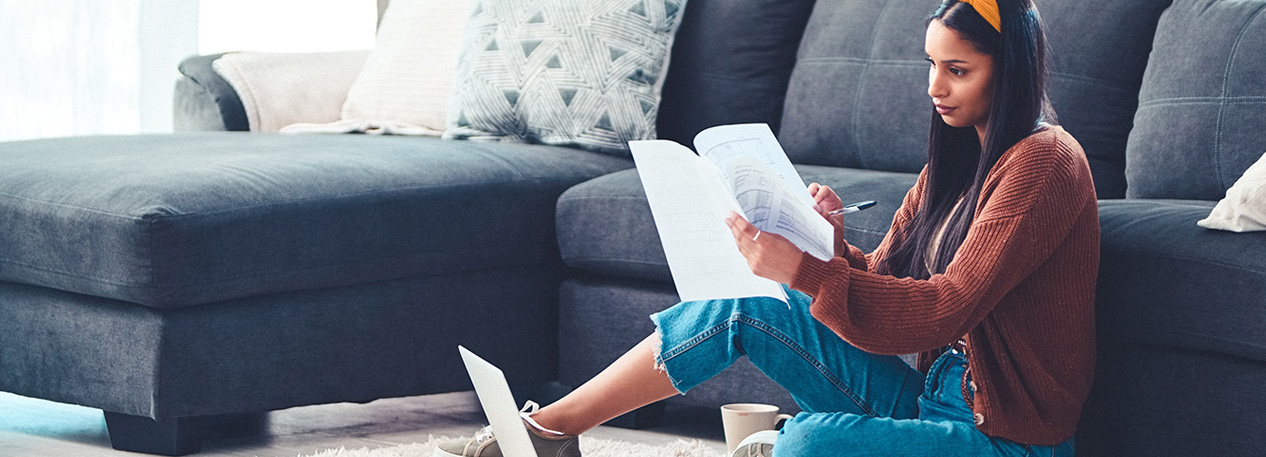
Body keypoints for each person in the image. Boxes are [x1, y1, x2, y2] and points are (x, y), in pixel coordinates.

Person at [436, 0, 1098, 455]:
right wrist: (830, 245)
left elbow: (943, 310)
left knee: (808, 439)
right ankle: (550, 431)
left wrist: (807, 270)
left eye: (958, 70)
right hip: (928, 401)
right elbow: (891, 276)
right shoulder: (960, 160)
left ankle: (790, 443)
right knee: (748, 304)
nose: (935, 86)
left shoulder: (1046, 162)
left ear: (1009, 70)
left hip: (1003, 438)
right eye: (931, 65)